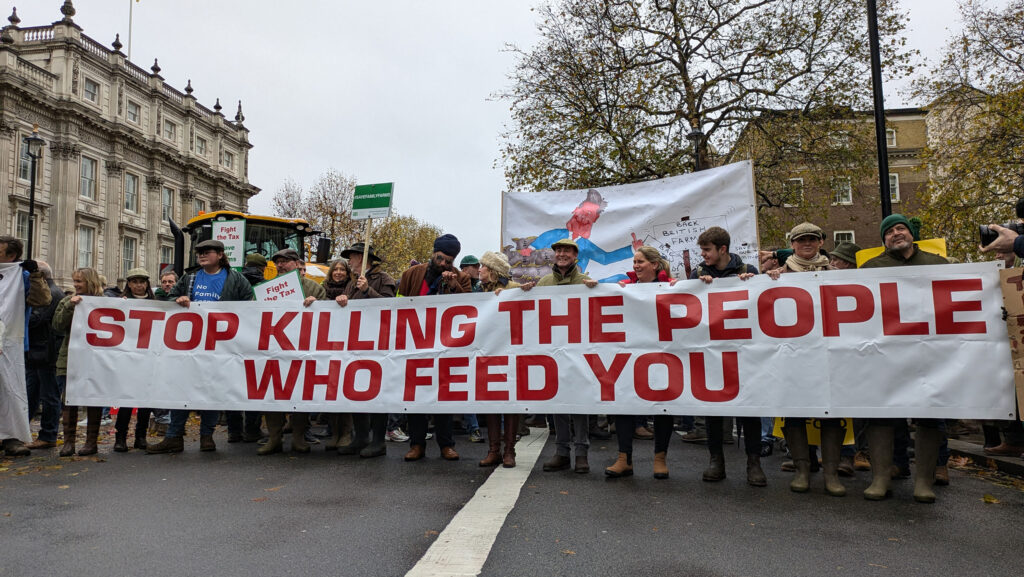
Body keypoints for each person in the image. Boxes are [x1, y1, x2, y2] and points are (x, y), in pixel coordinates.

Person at [861, 214, 949, 503]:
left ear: (911, 233)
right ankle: (880, 478)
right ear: (883, 240)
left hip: (930, 354)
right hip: (886, 355)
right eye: (889, 232)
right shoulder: (871, 268)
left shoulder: (938, 265)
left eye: (901, 229)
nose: (896, 234)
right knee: (881, 415)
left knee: (929, 416)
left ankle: (923, 481)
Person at [679, 228, 769, 487]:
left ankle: (754, 462)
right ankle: (716, 460)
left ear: (722, 249)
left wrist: (755, 282)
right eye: (702, 250)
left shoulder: (748, 268)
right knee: (713, 408)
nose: (703, 255)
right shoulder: (698, 273)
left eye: (707, 250)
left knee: (750, 407)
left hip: (744, 350)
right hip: (713, 350)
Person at [148, 239, 254, 454]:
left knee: (212, 391)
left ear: (220, 255)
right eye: (199, 253)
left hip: (220, 346)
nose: (201, 255)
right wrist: (179, 297)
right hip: (190, 345)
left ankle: (207, 436)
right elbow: (169, 298)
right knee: (181, 389)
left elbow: (250, 304)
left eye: (207, 252)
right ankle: (174, 437)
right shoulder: (190, 277)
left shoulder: (235, 278)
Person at [768, 222, 848, 496]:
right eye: (801, 240)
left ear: (821, 242)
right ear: (792, 244)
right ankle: (802, 469)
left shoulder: (835, 274)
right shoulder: (778, 275)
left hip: (827, 355)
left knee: (831, 412)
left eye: (812, 239)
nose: (807, 244)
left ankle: (831, 474)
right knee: (794, 412)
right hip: (792, 355)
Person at [521, 238, 599, 473]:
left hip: (579, 351)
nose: (562, 254)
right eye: (558, 250)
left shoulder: (586, 281)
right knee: (559, 402)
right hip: (553, 352)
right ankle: (562, 452)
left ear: (575, 255)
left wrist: (598, 290)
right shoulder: (544, 282)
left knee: (580, 403)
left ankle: (582, 453)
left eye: (567, 250)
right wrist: (521, 292)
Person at [604, 246, 679, 480]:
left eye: (641, 262)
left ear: (655, 265)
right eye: (634, 262)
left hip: (661, 353)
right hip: (631, 353)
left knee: (662, 404)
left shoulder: (672, 286)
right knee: (625, 402)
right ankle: (624, 458)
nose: (636, 266)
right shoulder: (626, 289)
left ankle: (660, 458)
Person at [397, 234, 472, 462]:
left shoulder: (462, 278)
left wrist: (453, 285)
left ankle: (446, 445)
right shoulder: (411, 274)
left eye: (448, 261)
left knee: (444, 396)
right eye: (440, 258)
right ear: (433, 253)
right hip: (416, 343)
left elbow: (470, 308)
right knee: (416, 395)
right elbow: (398, 305)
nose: (442, 264)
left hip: (445, 345)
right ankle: (417, 444)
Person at [257, 248, 327, 455]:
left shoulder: (313, 287)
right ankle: (274, 439)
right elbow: (252, 313)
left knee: (300, 395)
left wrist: (317, 305)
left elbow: (328, 316)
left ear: (297, 264)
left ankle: (298, 438)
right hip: (274, 350)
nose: (280, 265)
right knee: (273, 394)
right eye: (277, 261)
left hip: (303, 350)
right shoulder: (266, 289)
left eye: (285, 261)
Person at [333, 243, 397, 458]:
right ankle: (361, 437)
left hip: (377, 343)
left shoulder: (384, 279)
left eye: (351, 257)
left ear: (362, 257)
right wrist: (343, 299)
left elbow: (390, 306)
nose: (348, 261)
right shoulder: (351, 283)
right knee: (357, 389)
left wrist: (367, 290)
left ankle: (378, 441)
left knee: (377, 392)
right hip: (356, 344)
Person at [0, 236, 52, 456]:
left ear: (11, 255)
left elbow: (43, 300)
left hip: (11, 342)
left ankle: (11, 437)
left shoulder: (22, 276)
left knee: (11, 391)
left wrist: (36, 276)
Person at [474, 251, 523, 468]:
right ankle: (494, 450)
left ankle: (509, 450)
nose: (479, 269)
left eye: (483, 266)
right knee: (491, 401)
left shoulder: (513, 289)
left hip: (510, 351)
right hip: (487, 352)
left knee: (510, 402)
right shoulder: (477, 290)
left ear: (492, 270)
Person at [52, 267, 103, 456]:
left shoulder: (106, 302)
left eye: (79, 281)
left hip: (97, 358)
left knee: (94, 399)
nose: (76, 285)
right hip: (71, 357)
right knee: (69, 400)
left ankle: (91, 442)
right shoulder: (67, 301)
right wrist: (69, 306)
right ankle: (69, 442)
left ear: (90, 282)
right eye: (75, 281)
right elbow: (57, 325)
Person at [112, 268, 156, 451]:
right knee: (126, 400)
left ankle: (141, 436)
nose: (139, 285)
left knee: (146, 400)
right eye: (135, 281)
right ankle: (120, 437)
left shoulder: (156, 304)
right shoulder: (121, 303)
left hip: (148, 358)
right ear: (128, 284)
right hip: (128, 358)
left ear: (147, 283)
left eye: (142, 281)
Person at [24, 262, 65, 450]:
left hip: (46, 352)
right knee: (30, 394)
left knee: (49, 395)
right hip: (37, 350)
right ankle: (21, 431)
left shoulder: (51, 293)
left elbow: (36, 319)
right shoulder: (51, 291)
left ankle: (48, 434)